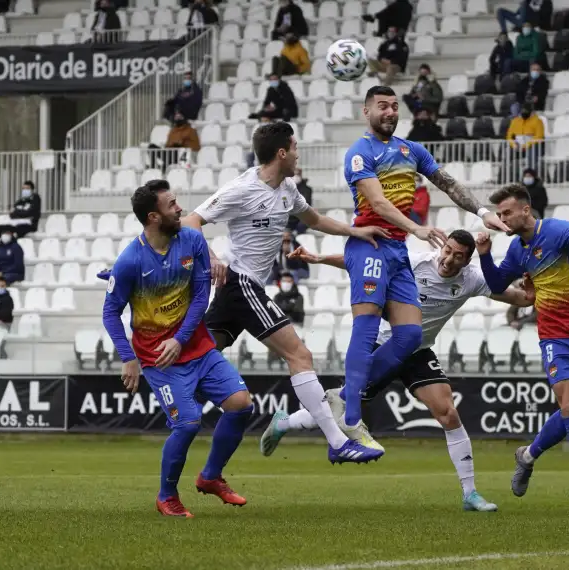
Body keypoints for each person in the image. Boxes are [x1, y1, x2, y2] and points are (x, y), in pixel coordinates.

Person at [263, 230, 535, 511]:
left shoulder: (473, 279)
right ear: (442, 247)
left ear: (467, 261)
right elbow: (364, 263)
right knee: (340, 407)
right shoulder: (415, 262)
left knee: (448, 413)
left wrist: (530, 293)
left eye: (458, 256)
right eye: (448, 250)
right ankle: (285, 423)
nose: (449, 259)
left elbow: (518, 298)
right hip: (385, 345)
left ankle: (470, 494)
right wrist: (319, 258)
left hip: (418, 351)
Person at [181, 121, 387, 464]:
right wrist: (212, 257)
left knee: (198, 356)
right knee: (300, 356)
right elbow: (191, 221)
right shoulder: (243, 188)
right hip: (240, 283)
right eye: (294, 147)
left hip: (242, 290)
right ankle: (337, 442)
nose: (297, 153)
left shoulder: (288, 189)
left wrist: (357, 231)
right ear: (281, 152)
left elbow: (316, 219)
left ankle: (183, 401)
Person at [338, 85, 509, 440]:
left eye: (394, 106)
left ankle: (340, 399)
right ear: (366, 112)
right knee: (368, 325)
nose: (389, 112)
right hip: (369, 241)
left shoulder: (411, 150)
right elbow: (380, 203)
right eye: (382, 106)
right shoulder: (359, 152)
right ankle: (351, 414)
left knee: (412, 334)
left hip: (396, 249)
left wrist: (481, 211)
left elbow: (446, 183)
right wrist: (416, 227)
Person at [103, 180, 253, 518]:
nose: (180, 208)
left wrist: (181, 338)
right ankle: (166, 496)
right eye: (172, 205)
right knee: (187, 423)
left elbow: (202, 296)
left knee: (241, 405)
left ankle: (211, 476)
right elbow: (110, 312)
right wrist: (128, 358)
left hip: (196, 346)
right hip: (159, 359)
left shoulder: (193, 240)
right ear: (154, 217)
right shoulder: (130, 260)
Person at [476, 185, 569, 517]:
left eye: (506, 213)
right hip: (554, 337)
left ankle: (527, 455)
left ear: (525, 210)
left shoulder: (555, 231)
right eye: (498, 214)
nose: (500, 219)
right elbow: (499, 284)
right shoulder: (517, 250)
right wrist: (485, 254)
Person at [505, 103, 545, 174]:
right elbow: (509, 136)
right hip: (518, 146)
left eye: (526, 111)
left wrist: (525, 145)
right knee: (507, 150)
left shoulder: (537, 121)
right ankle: (507, 175)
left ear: (531, 112)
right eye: (522, 111)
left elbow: (539, 136)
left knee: (532, 150)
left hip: (532, 146)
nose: (524, 113)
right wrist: (514, 144)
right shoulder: (515, 121)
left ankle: (530, 174)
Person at [286, 168, 312, 233]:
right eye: (294, 175)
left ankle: (296, 236)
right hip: (289, 216)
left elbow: (307, 203)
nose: (296, 177)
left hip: (301, 217)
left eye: (298, 175)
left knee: (303, 224)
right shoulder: (286, 188)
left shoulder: (307, 189)